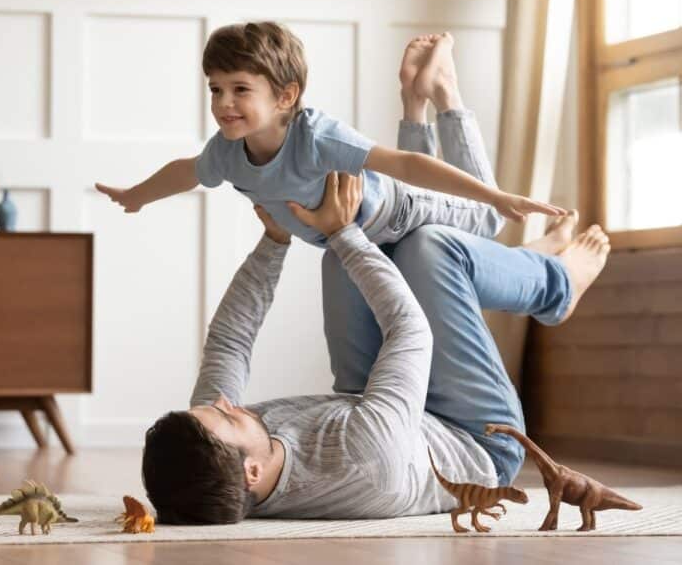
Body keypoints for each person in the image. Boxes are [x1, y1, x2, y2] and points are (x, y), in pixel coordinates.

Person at [140, 170, 610, 525]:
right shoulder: (365, 459)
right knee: (429, 249)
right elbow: (411, 331)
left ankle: (523, 260)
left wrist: (274, 239)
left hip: (372, 405)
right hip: (476, 436)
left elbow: (230, 341)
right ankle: (555, 284)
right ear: (253, 475)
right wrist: (344, 232)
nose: (225, 404)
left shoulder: (217, 450)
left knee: (346, 261)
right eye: (225, 416)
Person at [95, 23, 565, 249]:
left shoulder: (315, 136)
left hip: (398, 211)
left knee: (488, 222)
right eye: (216, 89)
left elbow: (403, 165)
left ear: (285, 96)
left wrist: (495, 194)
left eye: (240, 90)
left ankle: (445, 95)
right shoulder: (227, 152)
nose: (223, 103)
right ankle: (417, 97)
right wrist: (138, 195)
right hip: (362, 235)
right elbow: (187, 172)